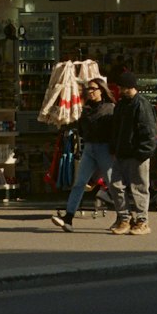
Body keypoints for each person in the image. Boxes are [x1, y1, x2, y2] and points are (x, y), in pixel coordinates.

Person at [51, 76, 115, 232]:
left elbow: (115, 130)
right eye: (88, 89)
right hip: (89, 148)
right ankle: (68, 218)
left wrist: (114, 149)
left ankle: (123, 217)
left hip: (105, 148)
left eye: (93, 89)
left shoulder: (110, 107)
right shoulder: (85, 109)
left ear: (101, 90)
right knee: (79, 183)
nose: (90, 92)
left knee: (113, 184)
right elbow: (81, 128)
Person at [108, 71, 157, 236]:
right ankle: (125, 218)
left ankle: (142, 220)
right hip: (122, 152)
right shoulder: (122, 104)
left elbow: (149, 131)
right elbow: (116, 128)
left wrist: (143, 153)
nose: (120, 90)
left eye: (123, 87)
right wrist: (114, 148)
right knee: (115, 186)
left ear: (130, 87)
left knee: (139, 188)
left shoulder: (141, 105)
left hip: (136, 154)